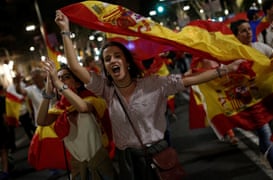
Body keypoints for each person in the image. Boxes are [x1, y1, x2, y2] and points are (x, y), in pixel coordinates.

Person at [55, 10, 245, 180]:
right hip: (128, 161)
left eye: (117, 56)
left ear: (127, 62)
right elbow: (74, 67)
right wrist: (65, 30)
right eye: (107, 59)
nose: (112, 60)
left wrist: (225, 70)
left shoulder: (154, 84)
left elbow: (190, 80)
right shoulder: (106, 89)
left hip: (158, 156)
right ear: (105, 67)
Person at [36, 60, 117, 180]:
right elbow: (41, 121)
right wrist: (48, 92)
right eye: (58, 78)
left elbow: (82, 107)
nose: (61, 81)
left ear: (77, 83)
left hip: (101, 166)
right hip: (78, 169)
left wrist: (59, 84)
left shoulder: (91, 100)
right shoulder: (58, 111)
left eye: (66, 77)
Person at [230, 19, 273, 180]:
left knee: (263, 134)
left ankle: (265, 153)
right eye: (243, 31)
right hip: (250, 102)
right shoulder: (234, 55)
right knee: (265, 132)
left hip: (265, 97)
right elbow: (233, 81)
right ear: (236, 35)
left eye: (249, 29)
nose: (248, 33)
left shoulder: (261, 47)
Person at [6, 74, 36, 152]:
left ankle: (34, 139)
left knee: (29, 125)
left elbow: (27, 93)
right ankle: (32, 140)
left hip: (26, 109)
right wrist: (18, 100)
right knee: (27, 127)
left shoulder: (22, 85)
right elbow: (10, 99)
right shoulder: (9, 88)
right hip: (19, 112)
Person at [0, 85, 10, 180]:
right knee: (3, 150)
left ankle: (5, 170)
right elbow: (4, 116)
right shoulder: (1, 99)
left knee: (3, 150)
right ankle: (5, 170)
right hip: (1, 128)